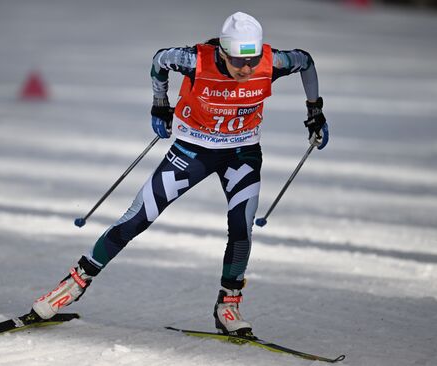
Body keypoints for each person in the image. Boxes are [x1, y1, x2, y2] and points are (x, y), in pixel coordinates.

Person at [32, 11, 328, 336]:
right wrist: (160, 103)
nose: (246, 69)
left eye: (253, 60)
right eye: (238, 61)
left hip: (241, 153)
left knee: (241, 229)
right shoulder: (194, 60)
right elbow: (160, 61)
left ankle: (228, 305)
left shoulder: (272, 63)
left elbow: (306, 61)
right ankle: (74, 284)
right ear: (223, 52)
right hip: (192, 150)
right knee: (137, 218)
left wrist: (315, 110)